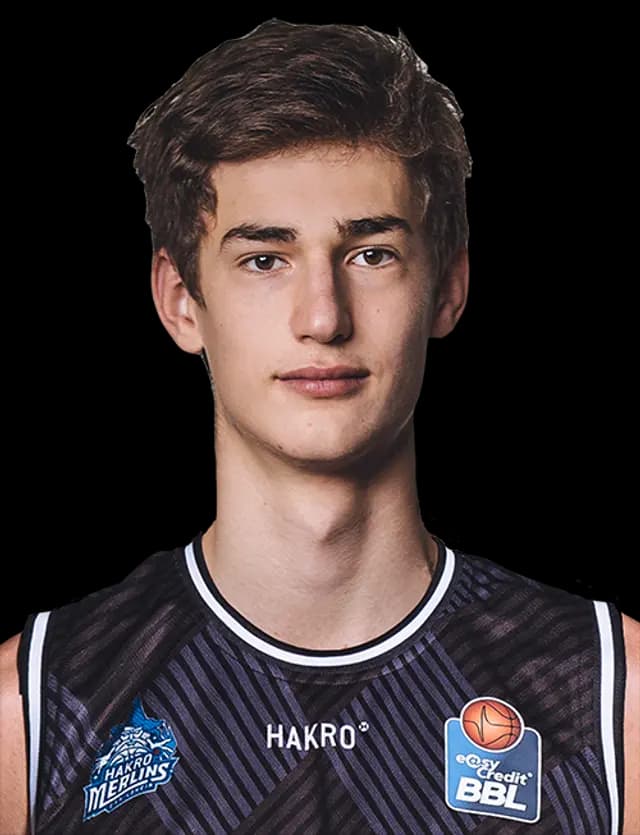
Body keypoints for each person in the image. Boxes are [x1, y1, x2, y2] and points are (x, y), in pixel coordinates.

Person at [1, 17, 638, 835]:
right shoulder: (40, 702)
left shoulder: (608, 693)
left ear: (448, 287)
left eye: (371, 253)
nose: (323, 317)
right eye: (265, 258)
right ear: (181, 300)